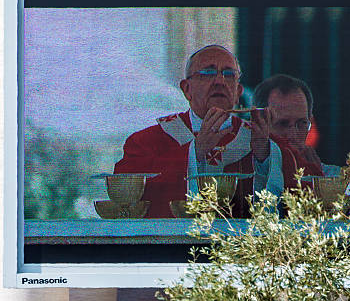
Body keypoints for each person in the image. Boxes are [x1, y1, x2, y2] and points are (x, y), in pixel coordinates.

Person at [114, 45, 308, 219]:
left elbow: (310, 192)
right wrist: (194, 152)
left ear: (238, 91)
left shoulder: (265, 143)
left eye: (228, 74)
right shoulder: (145, 142)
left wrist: (265, 159)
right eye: (207, 73)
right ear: (187, 89)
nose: (219, 81)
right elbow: (126, 196)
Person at [253, 74, 340, 188]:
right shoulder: (242, 175)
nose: (293, 135)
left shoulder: (334, 177)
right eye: (282, 124)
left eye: (302, 123)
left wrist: (320, 184)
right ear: (260, 125)